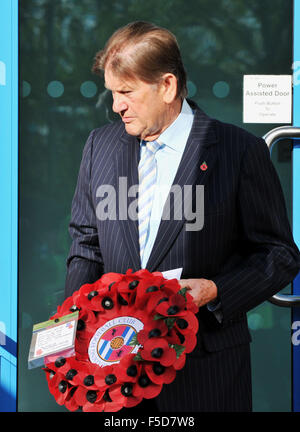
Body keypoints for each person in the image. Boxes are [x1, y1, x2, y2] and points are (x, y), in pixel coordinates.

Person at [65, 21, 300, 412]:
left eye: (126, 92)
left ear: (168, 86)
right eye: (112, 93)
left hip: (205, 370)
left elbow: (279, 255)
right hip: (114, 373)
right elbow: (86, 244)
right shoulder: (100, 146)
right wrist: (75, 331)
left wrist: (215, 290)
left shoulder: (238, 152)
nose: (116, 106)